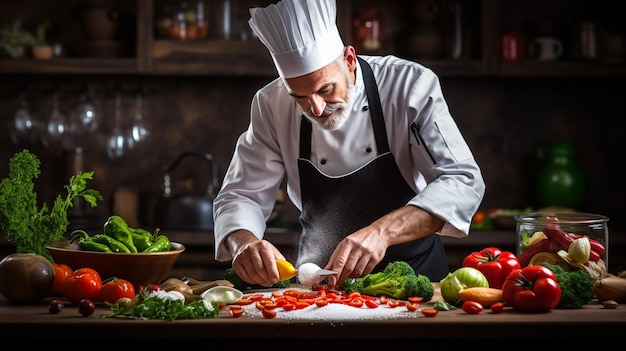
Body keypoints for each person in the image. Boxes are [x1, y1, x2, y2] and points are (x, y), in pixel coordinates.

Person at [213, 0, 485, 288]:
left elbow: (463, 180)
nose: (315, 109)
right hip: (319, 289)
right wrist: (243, 242)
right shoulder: (271, 104)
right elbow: (241, 195)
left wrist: (382, 232)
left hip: (415, 280)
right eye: (300, 97)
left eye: (325, 89)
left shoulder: (408, 85)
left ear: (350, 60)